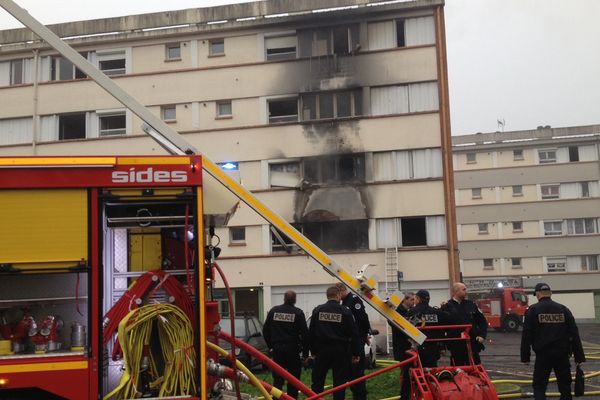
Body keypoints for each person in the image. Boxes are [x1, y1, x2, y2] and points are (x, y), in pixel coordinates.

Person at [521, 283, 585, 400]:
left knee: (539, 387)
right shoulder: (563, 309)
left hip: (543, 355)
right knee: (565, 387)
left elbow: (526, 335)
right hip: (562, 355)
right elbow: (574, 334)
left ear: (538, 294)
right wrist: (579, 357)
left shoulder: (533, 310)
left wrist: (525, 357)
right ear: (550, 294)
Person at [308, 286, 360, 400]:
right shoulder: (345, 311)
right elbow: (354, 333)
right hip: (340, 351)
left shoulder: (318, 310)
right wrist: (356, 353)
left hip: (322, 350)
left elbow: (311, 333)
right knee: (339, 382)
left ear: (327, 296)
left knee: (317, 380)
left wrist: (313, 351)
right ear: (338, 296)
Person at [263, 290, 309, 399]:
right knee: (293, 379)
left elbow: (265, 330)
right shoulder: (298, 313)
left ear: (284, 299)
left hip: (278, 350)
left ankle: (276, 398)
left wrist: (271, 347)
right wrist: (305, 354)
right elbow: (305, 335)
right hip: (293, 351)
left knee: (278, 379)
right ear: (295, 300)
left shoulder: (274, 311)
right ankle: (292, 398)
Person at [335, 283, 371, 400]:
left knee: (357, 373)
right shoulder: (345, 303)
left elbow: (363, 319)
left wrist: (364, 335)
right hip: (350, 343)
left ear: (342, 291)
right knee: (351, 373)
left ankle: (360, 396)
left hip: (357, 341)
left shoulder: (354, 301)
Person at [441, 282, 487, 365]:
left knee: (475, 369)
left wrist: (482, 335)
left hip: (472, 343)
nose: (466, 291)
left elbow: (482, 322)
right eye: (464, 289)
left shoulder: (471, 305)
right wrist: (443, 345)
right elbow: (442, 327)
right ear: (456, 291)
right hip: (456, 345)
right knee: (458, 370)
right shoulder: (447, 307)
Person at [407, 289, 447, 368]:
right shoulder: (436, 312)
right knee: (432, 370)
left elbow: (409, 328)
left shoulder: (412, 311)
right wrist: (442, 347)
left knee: (417, 371)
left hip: (417, 347)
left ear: (418, 298)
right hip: (433, 347)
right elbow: (441, 330)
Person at [391, 292, 415, 400]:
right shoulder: (398, 312)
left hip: (409, 346)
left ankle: (409, 393)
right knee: (405, 373)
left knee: (409, 372)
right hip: (403, 347)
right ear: (404, 300)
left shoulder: (409, 311)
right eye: (411, 300)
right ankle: (404, 394)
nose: (413, 302)